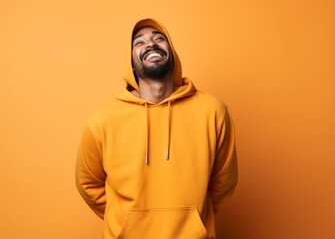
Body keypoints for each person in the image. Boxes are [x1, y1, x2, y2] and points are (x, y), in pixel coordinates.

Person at [75, 18, 238, 239]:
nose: (151, 44)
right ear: (130, 63)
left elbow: (224, 180)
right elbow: (87, 183)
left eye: (159, 39)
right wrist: (125, 221)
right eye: (139, 42)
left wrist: (195, 221)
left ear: (173, 54)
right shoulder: (102, 121)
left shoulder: (213, 111)